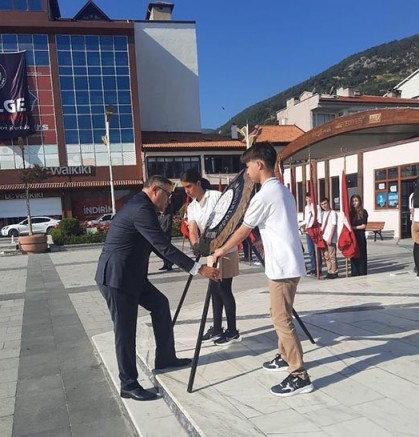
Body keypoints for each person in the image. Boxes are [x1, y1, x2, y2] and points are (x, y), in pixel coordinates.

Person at [95, 175, 220, 402]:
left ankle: (165, 358)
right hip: (117, 279)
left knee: (160, 305)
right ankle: (128, 384)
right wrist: (198, 269)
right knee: (125, 330)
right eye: (168, 195)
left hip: (133, 277)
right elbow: (162, 246)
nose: (169, 200)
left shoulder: (142, 207)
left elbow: (156, 245)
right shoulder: (141, 209)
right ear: (155, 190)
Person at [213, 143, 313, 397]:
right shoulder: (282, 190)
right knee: (279, 313)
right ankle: (283, 356)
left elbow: (243, 230)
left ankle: (299, 375)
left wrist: (220, 250)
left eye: (248, 166)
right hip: (288, 264)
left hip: (282, 266)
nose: (247, 172)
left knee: (281, 319)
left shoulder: (265, 195)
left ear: (259, 164)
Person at [180, 168, 241, 345]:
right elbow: (193, 229)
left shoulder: (216, 197)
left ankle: (232, 330)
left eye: (189, 186)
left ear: (198, 183)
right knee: (214, 290)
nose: (187, 191)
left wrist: (219, 244)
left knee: (224, 289)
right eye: (184, 188)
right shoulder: (192, 206)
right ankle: (217, 328)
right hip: (210, 252)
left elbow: (229, 221)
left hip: (226, 250)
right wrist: (195, 245)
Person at [300, 193, 322, 276]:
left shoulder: (317, 207)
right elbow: (306, 220)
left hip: (315, 230)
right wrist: (298, 225)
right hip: (308, 231)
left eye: (310, 198)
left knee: (317, 251)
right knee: (311, 251)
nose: (308, 200)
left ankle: (318, 269)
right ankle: (313, 268)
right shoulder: (306, 208)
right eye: (307, 198)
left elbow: (319, 219)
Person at [350, 194, 368, 276]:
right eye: (353, 201)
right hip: (353, 236)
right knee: (353, 255)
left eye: (356, 201)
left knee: (361, 255)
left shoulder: (363, 212)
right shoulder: (351, 213)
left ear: (359, 202)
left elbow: (364, 225)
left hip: (360, 236)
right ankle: (354, 273)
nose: (354, 203)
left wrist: (353, 227)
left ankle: (362, 272)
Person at [320, 197, 338, 279]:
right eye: (322, 204)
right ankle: (329, 271)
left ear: (328, 203)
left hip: (330, 238)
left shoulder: (333, 213)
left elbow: (334, 225)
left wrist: (330, 238)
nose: (324, 205)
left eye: (325, 203)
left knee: (332, 256)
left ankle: (334, 272)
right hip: (324, 237)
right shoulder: (323, 213)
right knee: (326, 256)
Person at [410, 177, 419, 276]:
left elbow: (411, 211)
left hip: (415, 222)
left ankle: (417, 267)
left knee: (416, 245)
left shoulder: (412, 196)